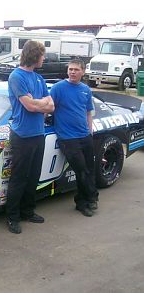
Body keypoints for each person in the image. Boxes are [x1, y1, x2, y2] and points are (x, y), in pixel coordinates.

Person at [6, 40, 55, 234]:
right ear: (34, 55)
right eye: (42, 55)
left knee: (33, 176)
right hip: (22, 135)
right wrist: (40, 104)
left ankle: (28, 211)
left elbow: (51, 106)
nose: (44, 58)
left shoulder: (39, 79)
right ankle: (12, 217)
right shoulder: (16, 76)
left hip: (38, 134)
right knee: (19, 177)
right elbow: (30, 106)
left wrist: (39, 103)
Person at [50, 59, 99, 217]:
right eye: (70, 69)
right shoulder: (58, 88)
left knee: (89, 170)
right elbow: (49, 108)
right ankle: (89, 200)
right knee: (81, 170)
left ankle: (83, 199)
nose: (72, 72)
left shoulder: (85, 89)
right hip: (67, 137)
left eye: (76, 69)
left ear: (83, 72)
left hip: (85, 135)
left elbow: (87, 112)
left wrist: (89, 131)